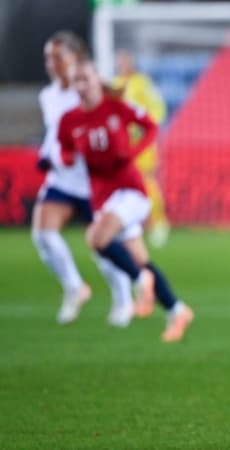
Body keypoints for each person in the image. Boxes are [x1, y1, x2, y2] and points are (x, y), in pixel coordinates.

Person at [58, 57, 194, 342]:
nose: (82, 85)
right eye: (77, 80)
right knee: (139, 258)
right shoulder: (69, 120)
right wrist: (66, 159)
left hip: (130, 190)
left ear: (98, 80)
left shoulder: (116, 108)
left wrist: (134, 153)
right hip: (103, 198)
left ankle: (139, 281)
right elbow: (65, 150)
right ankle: (176, 310)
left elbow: (151, 127)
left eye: (86, 78)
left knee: (96, 238)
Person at [32, 30, 134, 327]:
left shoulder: (92, 90)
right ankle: (75, 286)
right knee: (43, 234)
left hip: (94, 181)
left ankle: (123, 298)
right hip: (63, 179)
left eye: (57, 56)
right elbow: (55, 132)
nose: (51, 63)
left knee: (101, 246)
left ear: (76, 57)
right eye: (47, 57)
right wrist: (48, 153)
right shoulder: (48, 95)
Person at [112, 49, 171, 248]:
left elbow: (158, 108)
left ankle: (159, 222)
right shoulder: (115, 85)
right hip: (122, 144)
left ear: (132, 62)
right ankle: (128, 224)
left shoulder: (142, 83)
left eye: (125, 60)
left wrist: (144, 126)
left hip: (142, 143)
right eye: (119, 61)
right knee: (122, 184)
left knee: (146, 181)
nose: (122, 65)